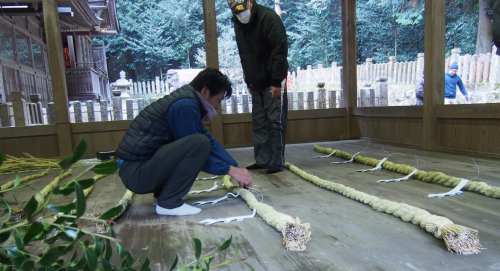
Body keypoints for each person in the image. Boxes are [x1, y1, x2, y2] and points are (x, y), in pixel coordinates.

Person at [115, 68, 253, 216]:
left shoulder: (189, 101)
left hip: (139, 171)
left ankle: (163, 197)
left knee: (201, 141)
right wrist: (230, 170)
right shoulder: (185, 105)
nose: (218, 107)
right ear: (205, 92)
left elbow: (209, 139)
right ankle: (169, 203)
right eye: (218, 100)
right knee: (199, 144)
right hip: (137, 175)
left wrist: (234, 166)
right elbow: (197, 149)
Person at [227, 0, 288, 174]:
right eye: (236, 12)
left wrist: (276, 81)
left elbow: (280, 49)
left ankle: (276, 161)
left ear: (251, 2)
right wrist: (249, 81)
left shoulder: (269, 18)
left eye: (242, 10)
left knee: (275, 122)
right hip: (256, 81)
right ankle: (262, 160)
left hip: (272, 81)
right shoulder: (238, 23)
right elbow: (244, 54)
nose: (240, 14)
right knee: (259, 122)